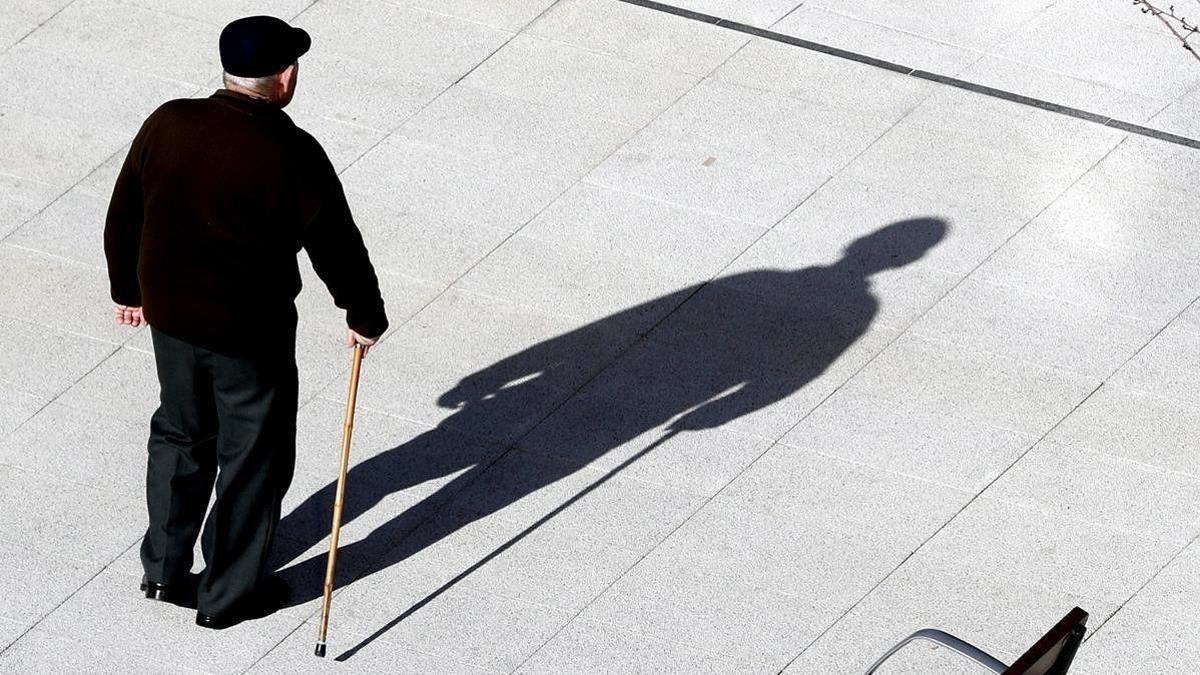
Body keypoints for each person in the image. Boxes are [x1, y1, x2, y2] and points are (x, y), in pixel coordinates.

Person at [103, 15, 388, 629]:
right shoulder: (293, 152)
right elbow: (336, 244)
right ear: (284, 77)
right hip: (247, 337)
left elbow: (125, 210)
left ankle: (163, 569)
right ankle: (229, 595)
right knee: (252, 457)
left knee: (180, 435)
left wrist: (127, 288)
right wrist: (364, 314)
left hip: (172, 322)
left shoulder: (169, 121)